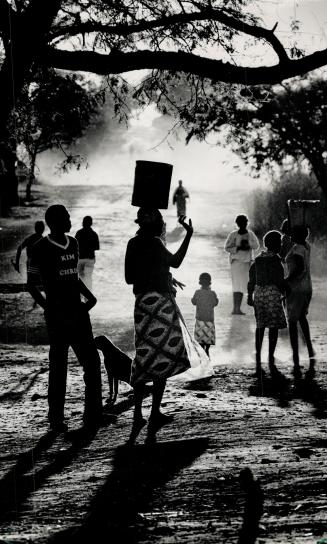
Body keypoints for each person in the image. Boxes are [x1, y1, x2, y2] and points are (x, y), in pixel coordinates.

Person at [28, 204, 103, 433]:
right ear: (55, 221)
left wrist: (90, 298)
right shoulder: (39, 248)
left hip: (78, 312)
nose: (70, 220)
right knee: (58, 366)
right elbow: (31, 285)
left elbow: (73, 278)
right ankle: (56, 419)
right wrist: (48, 307)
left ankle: (93, 414)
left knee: (91, 362)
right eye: (67, 217)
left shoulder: (74, 242)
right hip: (58, 316)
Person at [125, 207, 193, 441]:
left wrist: (157, 271)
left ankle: (137, 414)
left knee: (144, 355)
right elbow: (176, 261)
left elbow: (129, 278)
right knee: (163, 355)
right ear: (157, 225)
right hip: (161, 305)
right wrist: (189, 234)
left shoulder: (133, 244)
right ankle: (154, 411)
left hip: (142, 304)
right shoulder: (155, 243)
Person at [247, 231, 287, 374]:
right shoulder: (276, 260)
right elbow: (279, 280)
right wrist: (286, 292)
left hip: (259, 294)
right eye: (280, 243)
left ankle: (258, 355)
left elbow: (251, 278)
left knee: (260, 326)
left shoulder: (258, 259)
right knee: (273, 327)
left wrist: (249, 295)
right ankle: (270, 356)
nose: (282, 245)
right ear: (276, 245)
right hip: (272, 294)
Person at [284, 225, 315, 374]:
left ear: (297, 235)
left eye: (293, 233)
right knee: (302, 318)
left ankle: (295, 355)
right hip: (307, 287)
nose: (290, 235)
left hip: (296, 288)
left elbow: (299, 267)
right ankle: (310, 350)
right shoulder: (306, 246)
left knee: (292, 321)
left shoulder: (297, 249)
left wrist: (287, 280)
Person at [224, 214, 259, 315]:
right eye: (240, 223)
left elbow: (256, 246)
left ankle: (237, 308)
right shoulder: (233, 235)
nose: (242, 225)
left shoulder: (250, 234)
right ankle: (236, 308)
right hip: (236, 263)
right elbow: (227, 247)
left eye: (244, 223)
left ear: (247, 223)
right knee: (236, 286)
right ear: (237, 224)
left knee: (244, 286)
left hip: (246, 263)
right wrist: (238, 248)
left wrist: (248, 245)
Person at [12, 221, 45, 308]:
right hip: (41, 263)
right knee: (41, 282)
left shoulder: (30, 238)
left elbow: (19, 248)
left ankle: (39, 302)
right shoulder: (44, 240)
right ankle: (39, 302)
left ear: (35, 228)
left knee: (31, 284)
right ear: (43, 229)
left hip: (31, 263)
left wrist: (17, 263)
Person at [191, 272, 219, 357]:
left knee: (200, 338)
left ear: (200, 282)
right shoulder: (213, 293)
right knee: (208, 337)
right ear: (210, 282)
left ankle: (202, 352)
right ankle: (207, 350)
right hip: (210, 319)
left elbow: (194, 302)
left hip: (200, 318)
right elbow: (215, 303)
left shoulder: (197, 292)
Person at [75, 216, 100, 292]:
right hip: (90, 259)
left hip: (80, 258)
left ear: (83, 223)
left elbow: (74, 246)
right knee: (88, 277)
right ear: (91, 223)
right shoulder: (94, 234)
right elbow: (97, 247)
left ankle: (80, 294)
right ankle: (89, 294)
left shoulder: (79, 233)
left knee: (80, 277)